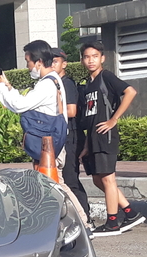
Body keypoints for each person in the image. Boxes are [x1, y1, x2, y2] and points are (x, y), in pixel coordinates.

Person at [0, 40, 90, 228]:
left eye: (28, 62)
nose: (28, 66)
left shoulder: (46, 84)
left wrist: (0, 88)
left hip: (49, 145)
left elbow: (20, 105)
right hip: (53, 142)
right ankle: (71, 223)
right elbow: (27, 102)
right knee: (54, 183)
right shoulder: (54, 80)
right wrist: (9, 88)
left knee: (57, 184)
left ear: (38, 62)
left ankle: (83, 222)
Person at [79, 41, 144, 236]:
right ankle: (130, 212)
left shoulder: (105, 77)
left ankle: (113, 223)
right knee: (99, 180)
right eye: (87, 57)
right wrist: (87, 144)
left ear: (102, 58)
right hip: (94, 138)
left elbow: (130, 92)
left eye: (95, 56)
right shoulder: (88, 84)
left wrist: (113, 119)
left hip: (106, 136)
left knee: (108, 179)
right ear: (82, 60)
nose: (91, 60)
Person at [51, 47, 91, 223]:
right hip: (63, 136)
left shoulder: (66, 83)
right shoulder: (53, 83)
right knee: (63, 179)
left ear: (64, 63)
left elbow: (72, 111)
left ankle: (85, 218)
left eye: (55, 61)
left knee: (70, 180)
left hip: (71, 137)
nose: (52, 65)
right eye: (49, 61)